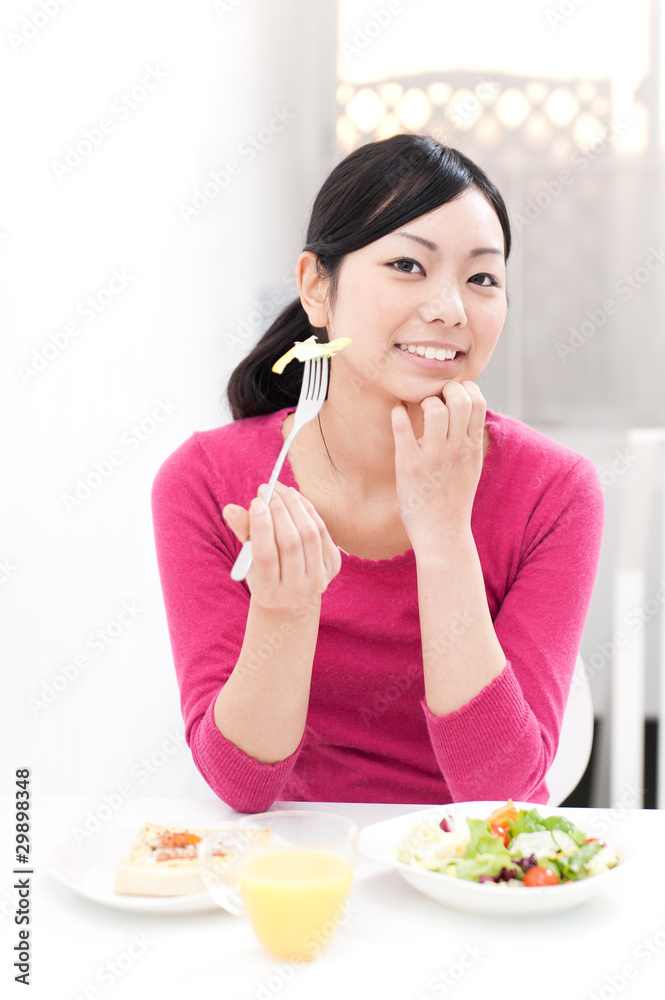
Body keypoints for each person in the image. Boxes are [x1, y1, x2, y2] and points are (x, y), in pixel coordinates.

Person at [151, 131, 604, 813]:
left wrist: (445, 536)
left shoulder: (555, 492)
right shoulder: (206, 482)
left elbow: (502, 794)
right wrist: (286, 608)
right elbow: (242, 789)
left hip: (468, 870)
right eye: (407, 265)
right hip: (294, 868)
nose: (451, 308)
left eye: (482, 277)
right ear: (315, 288)